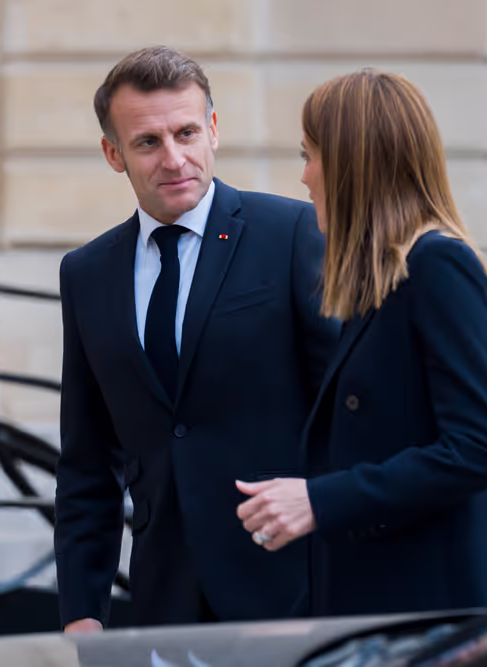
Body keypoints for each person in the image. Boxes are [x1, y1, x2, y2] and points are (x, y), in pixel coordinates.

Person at [54, 46, 340, 630]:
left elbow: (346, 408)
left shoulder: (292, 233)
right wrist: (82, 612)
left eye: (186, 132)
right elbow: (87, 461)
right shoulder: (86, 273)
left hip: (294, 590)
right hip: (164, 601)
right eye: (147, 142)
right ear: (114, 154)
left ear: (213, 128)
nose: (174, 158)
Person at [236, 69, 487, 615]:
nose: (305, 177)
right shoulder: (385, 281)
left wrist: (320, 500)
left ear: (352, 164)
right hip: (385, 605)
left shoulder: (439, 266)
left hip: (432, 612)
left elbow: (481, 448)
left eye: (310, 156)